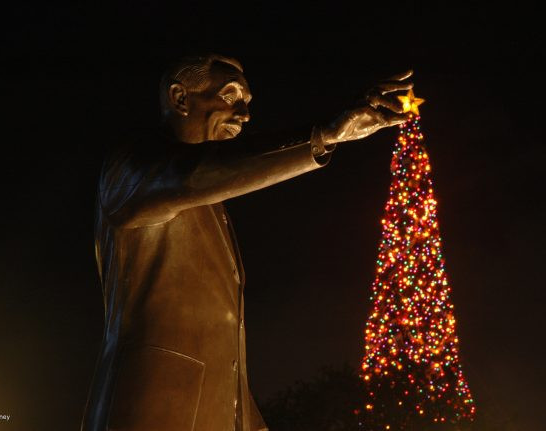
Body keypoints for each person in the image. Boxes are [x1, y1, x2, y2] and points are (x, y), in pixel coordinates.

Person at [81, 53, 413, 431]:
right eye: (230, 96)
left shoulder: (212, 206)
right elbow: (193, 175)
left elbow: (227, 359)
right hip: (152, 406)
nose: (245, 114)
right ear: (180, 98)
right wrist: (324, 134)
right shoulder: (130, 168)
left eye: (248, 103)